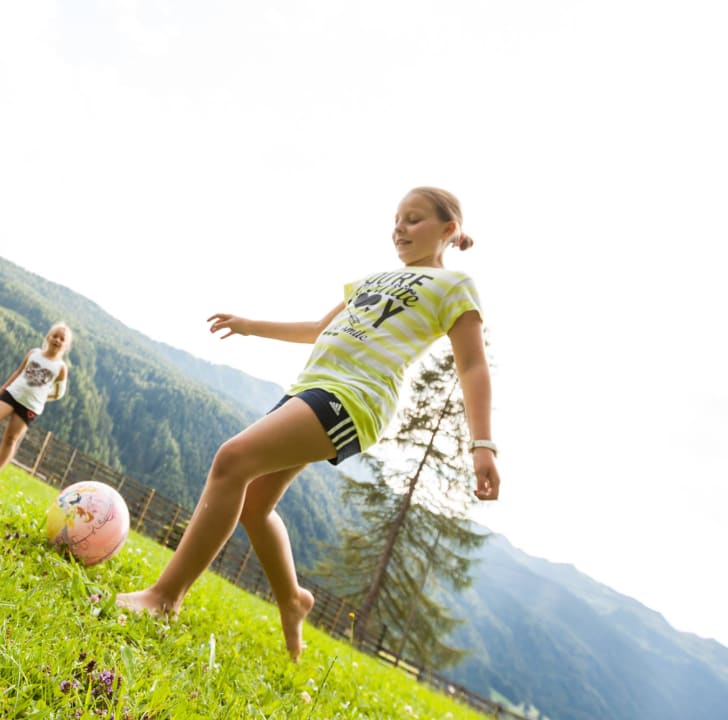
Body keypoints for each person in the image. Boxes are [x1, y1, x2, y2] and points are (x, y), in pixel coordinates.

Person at [115, 187, 501, 661]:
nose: (400, 228)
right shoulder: (371, 279)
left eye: (414, 219)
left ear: (448, 230)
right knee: (254, 505)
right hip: (310, 389)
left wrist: (482, 444)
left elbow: (472, 367)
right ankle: (294, 600)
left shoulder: (454, 287)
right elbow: (319, 330)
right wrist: (251, 324)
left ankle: (164, 599)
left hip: (356, 398)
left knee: (232, 459)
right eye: (397, 219)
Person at [0, 322, 72, 473]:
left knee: (11, 439)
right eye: (55, 336)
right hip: (12, 394)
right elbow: (19, 371)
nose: (57, 340)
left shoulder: (61, 367)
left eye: (62, 339)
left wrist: (44, 397)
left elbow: (59, 393)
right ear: (47, 338)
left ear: (66, 346)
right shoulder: (34, 353)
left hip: (30, 406)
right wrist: (4, 387)